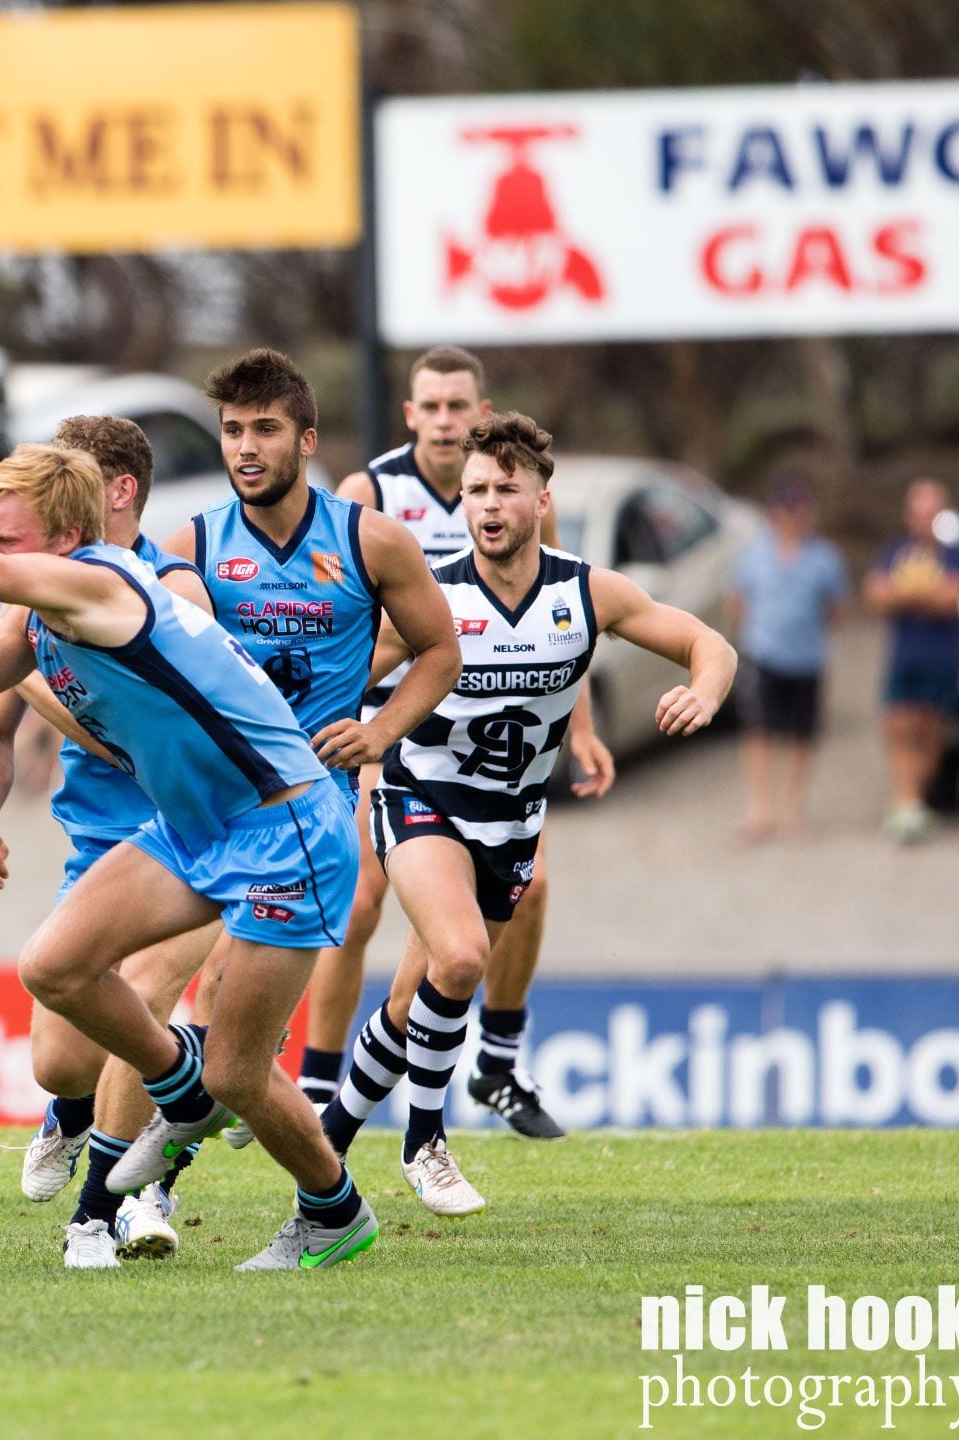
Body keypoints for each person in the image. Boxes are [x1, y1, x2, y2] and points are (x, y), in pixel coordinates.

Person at [0, 374, 381, 1274]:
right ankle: (177, 1087)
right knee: (53, 966)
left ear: (64, 538)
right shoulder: (41, 612)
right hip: (198, 828)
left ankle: (332, 1211)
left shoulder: (108, 582)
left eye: (7, 539)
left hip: (287, 825)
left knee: (239, 1072)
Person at [321, 413, 734, 1215]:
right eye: (475, 490)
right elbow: (345, 672)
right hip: (418, 799)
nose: (487, 505)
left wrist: (704, 691)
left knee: (414, 1005)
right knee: (464, 956)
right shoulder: (431, 594)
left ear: (542, 499)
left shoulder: (588, 593)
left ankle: (327, 1140)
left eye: (505, 489)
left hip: (509, 825)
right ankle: (425, 1141)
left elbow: (709, 644)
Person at [166, 349, 461, 1151]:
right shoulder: (189, 545)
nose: (245, 448)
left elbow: (441, 650)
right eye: (231, 431)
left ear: (306, 441)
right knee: (123, 980)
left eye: (265, 429)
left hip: (310, 805)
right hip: (211, 803)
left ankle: (150, 1183)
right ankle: (125, 1143)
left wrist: (379, 731)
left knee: (216, 995)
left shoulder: (371, 541)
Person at [321, 346, 610, 1143]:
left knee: (502, 909)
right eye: (431, 406)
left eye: (460, 406)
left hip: (491, 758)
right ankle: (325, 1084)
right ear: (410, 415)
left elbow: (555, 638)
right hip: (385, 735)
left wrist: (579, 730)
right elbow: (349, 636)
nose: (446, 420)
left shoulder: (521, 510)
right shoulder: (371, 493)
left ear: (481, 415)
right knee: (365, 903)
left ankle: (494, 1065)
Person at [0, 414, 218, 1269]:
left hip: (194, 836)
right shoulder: (38, 588)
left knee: (144, 1000)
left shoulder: (176, 592)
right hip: (99, 848)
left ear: (117, 494)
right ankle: (80, 1116)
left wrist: (23, 675)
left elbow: (131, 744)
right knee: (61, 1059)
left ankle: (119, 1207)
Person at [729, 482, 849, 840]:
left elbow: (836, 608)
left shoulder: (825, 557)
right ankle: (761, 807)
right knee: (758, 730)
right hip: (764, 653)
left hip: (807, 658)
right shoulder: (754, 554)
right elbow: (737, 599)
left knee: (801, 734)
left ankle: (791, 808)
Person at [864, 478, 959, 844]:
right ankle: (906, 803)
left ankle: (914, 801)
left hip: (941, 656)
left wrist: (904, 592)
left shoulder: (955, 553)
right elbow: (877, 595)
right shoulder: (894, 550)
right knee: (896, 725)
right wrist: (924, 593)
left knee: (928, 730)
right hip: (904, 655)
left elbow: (950, 600)